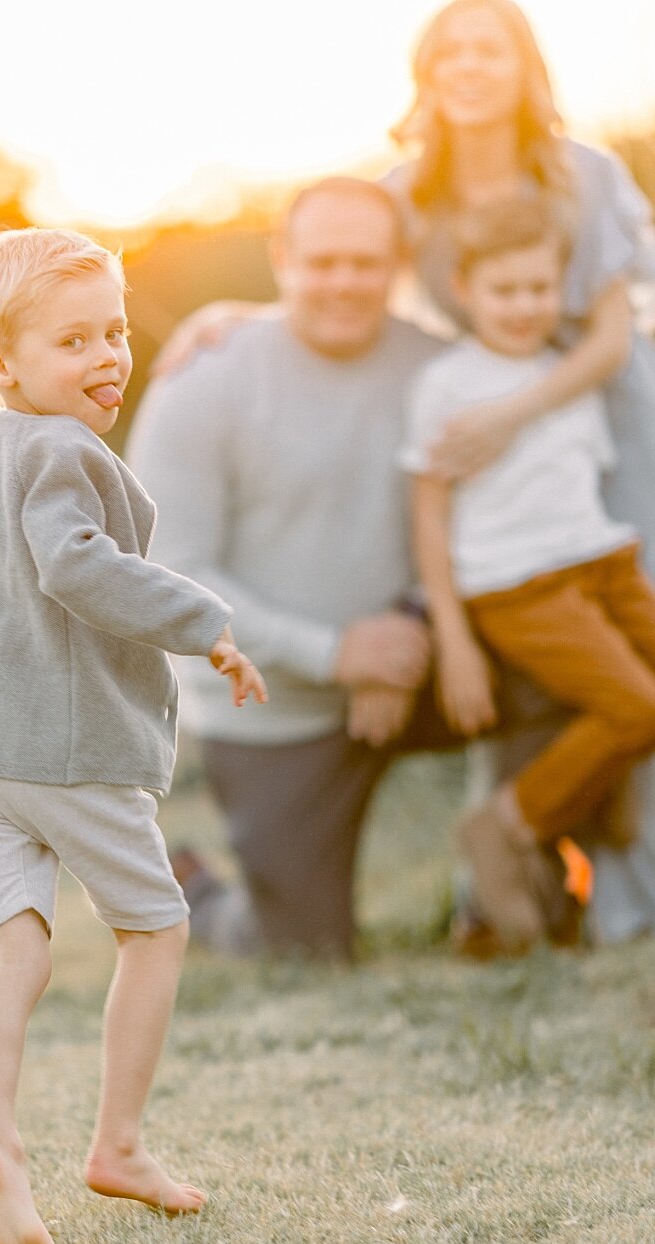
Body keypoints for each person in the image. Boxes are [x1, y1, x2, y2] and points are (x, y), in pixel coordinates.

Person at [157, 0, 655, 943]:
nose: (470, 67)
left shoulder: (582, 176)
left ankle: (599, 901)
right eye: (450, 50)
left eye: (490, 49)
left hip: (599, 435)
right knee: (544, 654)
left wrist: (514, 413)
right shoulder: (402, 194)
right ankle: (488, 883)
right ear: (424, 73)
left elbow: (616, 328)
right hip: (477, 472)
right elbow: (333, 273)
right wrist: (231, 314)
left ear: (527, 68)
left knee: (607, 669)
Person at [0, 228, 265, 1244]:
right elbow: (75, 567)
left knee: (13, 951)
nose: (106, 356)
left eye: (113, 331)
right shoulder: (59, 449)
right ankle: (116, 1144)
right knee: (154, 928)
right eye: (72, 340)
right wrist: (200, 620)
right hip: (61, 751)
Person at [131, 180, 453, 958]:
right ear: (282, 261)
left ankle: (525, 888)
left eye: (366, 263)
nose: (344, 282)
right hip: (274, 702)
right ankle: (196, 892)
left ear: (396, 265)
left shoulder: (441, 367)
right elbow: (171, 575)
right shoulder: (205, 382)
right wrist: (339, 654)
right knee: (300, 951)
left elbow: (496, 522)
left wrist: (407, 628)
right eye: (324, 262)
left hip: (424, 664)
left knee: (577, 676)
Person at [406, 195, 655, 945]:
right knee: (635, 708)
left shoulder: (566, 373)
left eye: (539, 289)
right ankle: (506, 823)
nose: (524, 306)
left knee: (638, 708)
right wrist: (454, 638)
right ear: (464, 289)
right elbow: (427, 512)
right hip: (519, 587)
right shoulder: (449, 383)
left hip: (604, 564)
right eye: (505, 290)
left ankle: (603, 834)